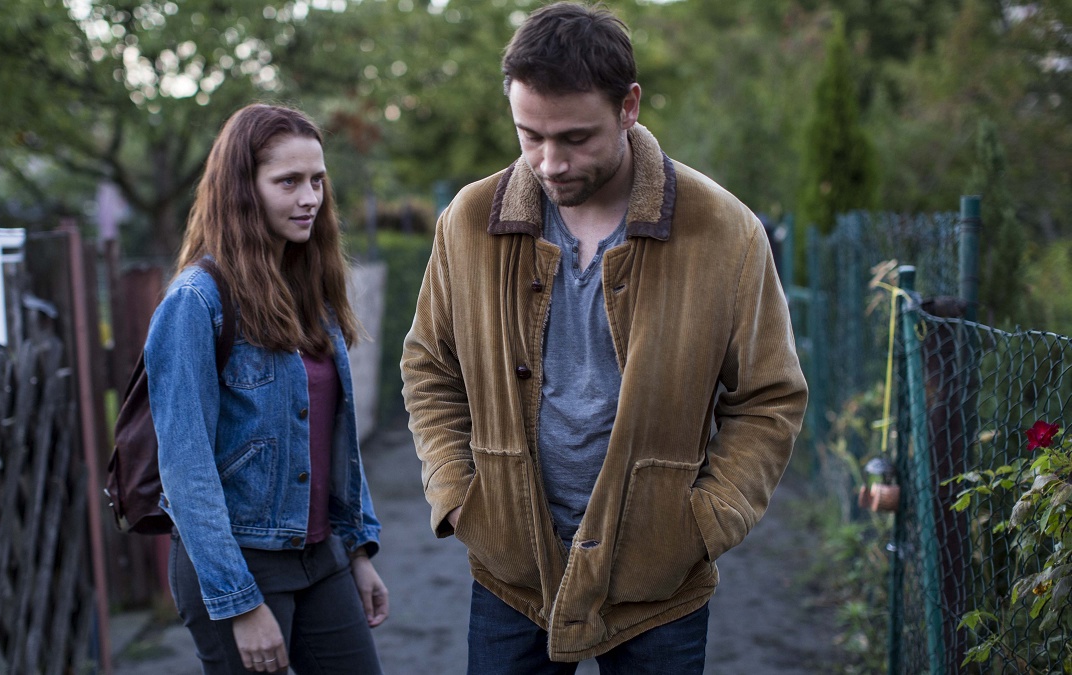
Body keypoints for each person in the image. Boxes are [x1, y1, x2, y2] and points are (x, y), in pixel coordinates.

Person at [400, 3, 808, 673]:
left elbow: (768, 397)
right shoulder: (468, 221)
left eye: (575, 138)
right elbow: (429, 366)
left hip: (658, 584)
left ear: (629, 107)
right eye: (530, 135)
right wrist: (457, 492)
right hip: (512, 573)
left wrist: (709, 520)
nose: (550, 162)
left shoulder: (724, 230)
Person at [146, 103, 388, 675]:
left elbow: (335, 440)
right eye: (288, 182)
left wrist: (357, 549)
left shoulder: (310, 293)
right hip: (240, 561)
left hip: (320, 555)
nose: (310, 198)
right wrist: (239, 602)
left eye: (317, 181)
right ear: (242, 189)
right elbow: (185, 469)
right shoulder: (196, 302)